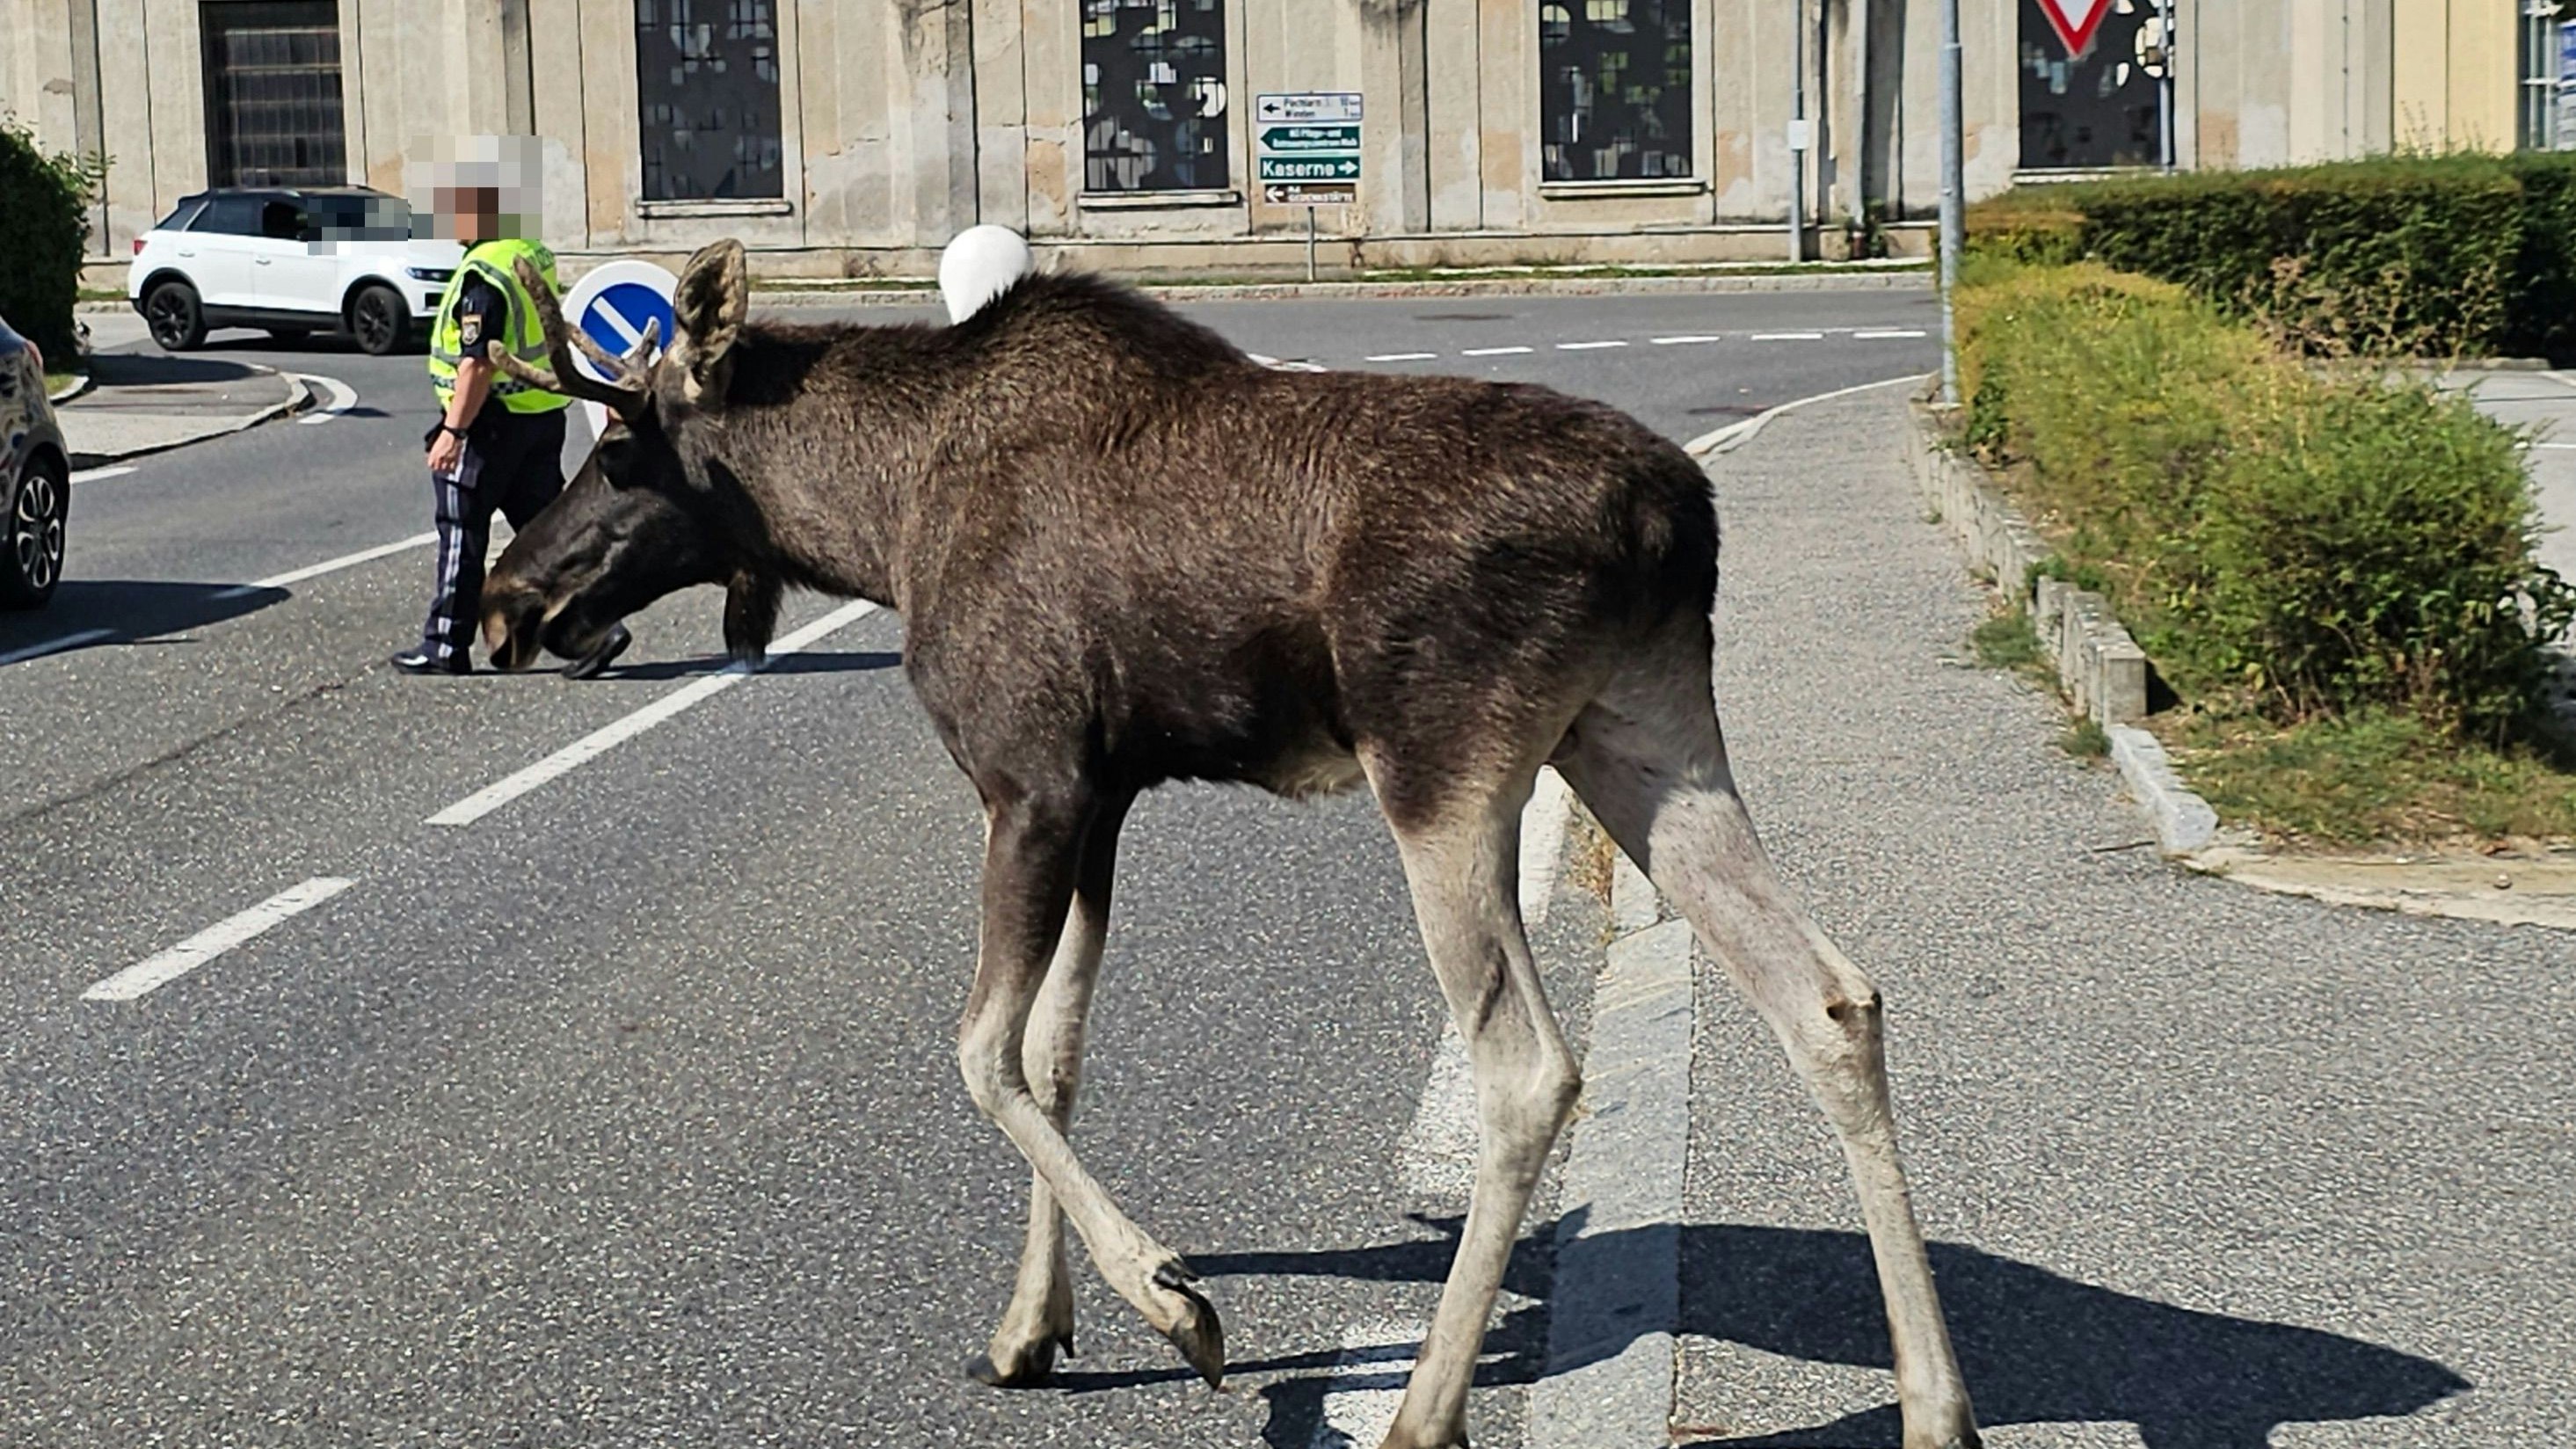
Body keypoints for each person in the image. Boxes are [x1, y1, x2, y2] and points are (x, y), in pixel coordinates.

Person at [393, 143, 629, 678]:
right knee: (547, 535)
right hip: (539, 419)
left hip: (490, 425)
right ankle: (599, 628)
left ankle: (445, 645)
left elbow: (477, 363)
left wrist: (454, 430)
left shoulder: (484, 274)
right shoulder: (529, 252)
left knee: (462, 531)